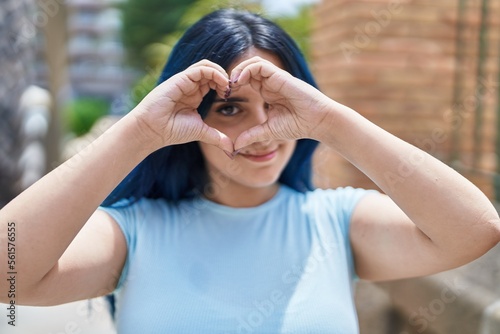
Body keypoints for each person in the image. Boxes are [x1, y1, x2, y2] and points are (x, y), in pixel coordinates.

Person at [1, 8, 499, 334]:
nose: (263, 131)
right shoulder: (134, 229)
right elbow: (8, 272)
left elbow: (475, 230)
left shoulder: (338, 220)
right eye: (230, 108)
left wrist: (328, 119)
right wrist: (139, 132)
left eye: (279, 106)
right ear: (191, 120)